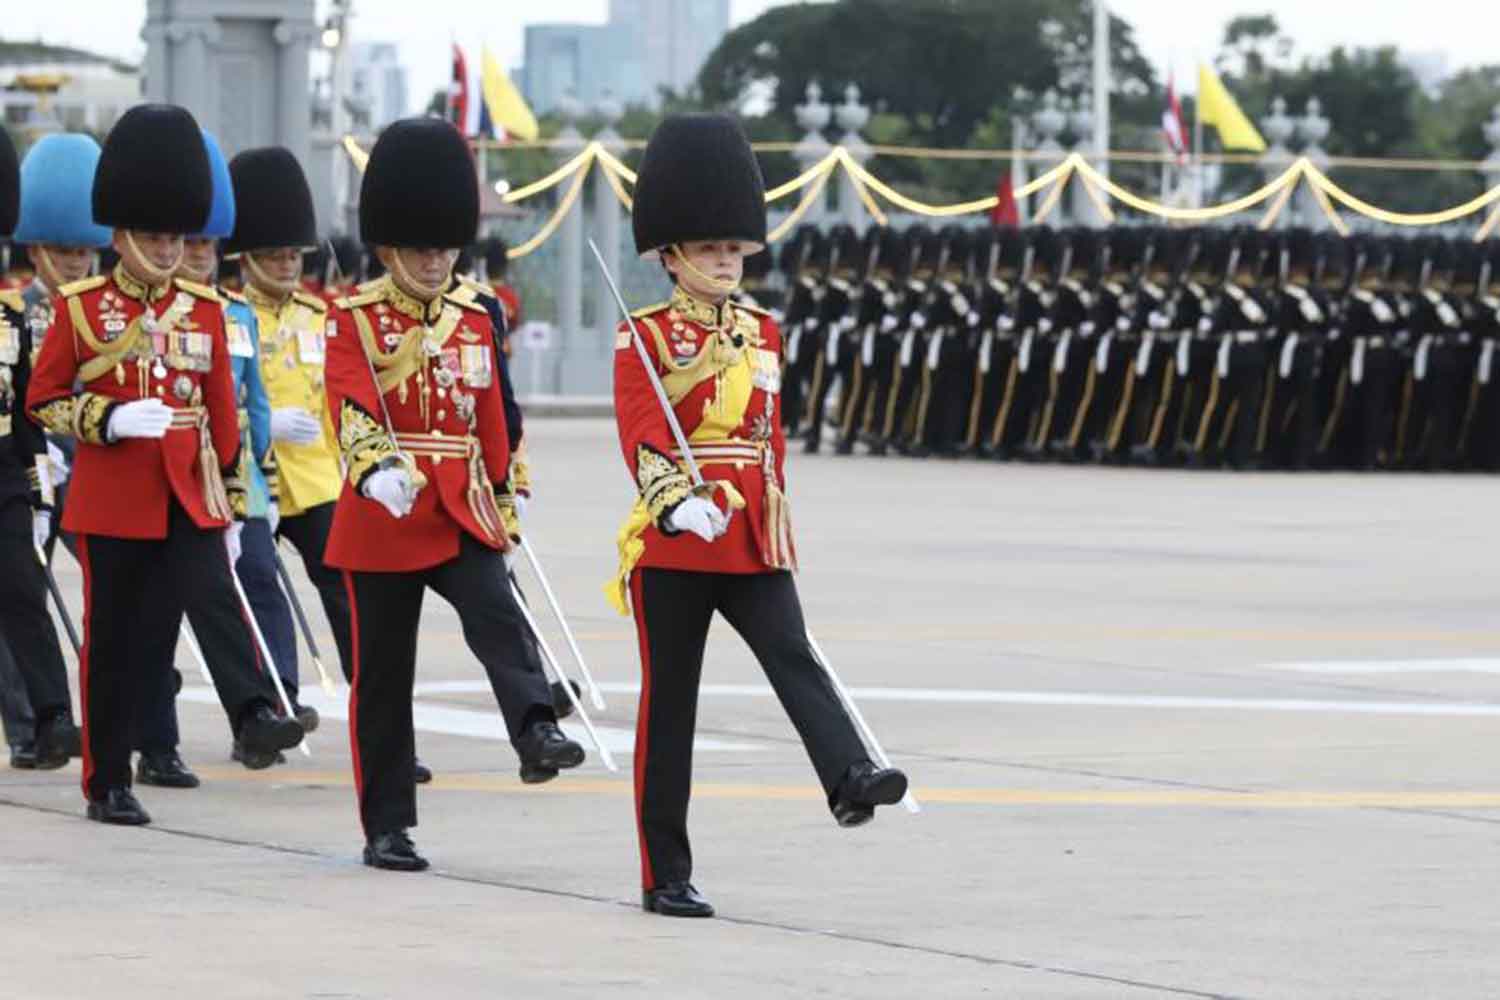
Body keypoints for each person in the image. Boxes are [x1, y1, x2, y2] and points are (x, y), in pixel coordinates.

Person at [609, 113, 908, 919]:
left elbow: (767, 442)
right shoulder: (644, 336)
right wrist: (675, 504)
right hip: (678, 546)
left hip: (748, 536)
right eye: (711, 250)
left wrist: (766, 520)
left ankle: (849, 778)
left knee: (795, 655)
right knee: (670, 710)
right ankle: (663, 872)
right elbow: (641, 435)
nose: (726, 261)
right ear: (671, 255)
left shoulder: (762, 332)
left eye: (735, 249)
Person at [26, 103, 305, 826]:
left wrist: (242, 506)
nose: (167, 246)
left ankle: (252, 713)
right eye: (153, 234)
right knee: (123, 646)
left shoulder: (206, 311)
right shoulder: (83, 309)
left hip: (189, 490)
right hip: (115, 494)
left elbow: (224, 419)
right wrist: (107, 419)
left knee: (217, 593)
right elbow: (45, 400)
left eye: (175, 233)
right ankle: (107, 781)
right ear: (120, 235)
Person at [325, 117, 582, 872]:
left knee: (499, 616)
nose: (436, 260)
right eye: (421, 247)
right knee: (383, 680)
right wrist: (374, 468)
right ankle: (387, 827)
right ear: (387, 247)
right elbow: (349, 403)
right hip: (385, 511)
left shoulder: (478, 314)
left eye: (444, 246)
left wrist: (511, 487)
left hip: (460, 502)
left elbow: (498, 411)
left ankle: (535, 730)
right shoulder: (356, 318)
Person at [0, 124, 80, 772]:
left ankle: (50, 719)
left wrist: (39, 487)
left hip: (7, 477)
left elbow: (26, 410)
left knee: (23, 594)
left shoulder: (10, 324)